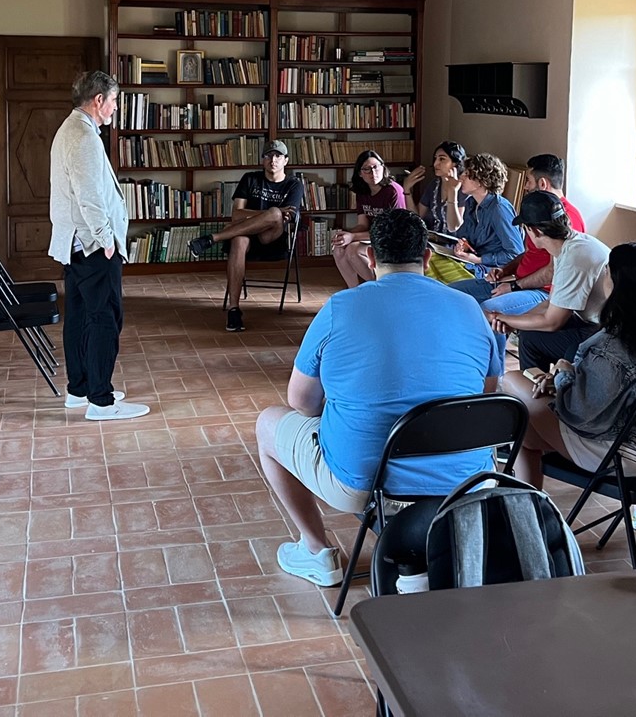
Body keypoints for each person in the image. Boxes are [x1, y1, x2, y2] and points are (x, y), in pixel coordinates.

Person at [253, 209, 503, 587]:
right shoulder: (469, 307)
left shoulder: (341, 307)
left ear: (370, 257)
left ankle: (316, 550)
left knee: (268, 424)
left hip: (370, 483)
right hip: (470, 482)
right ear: (427, 257)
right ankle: (420, 555)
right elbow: (486, 392)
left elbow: (300, 401)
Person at [500, 242, 636, 488]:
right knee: (523, 431)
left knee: (511, 383)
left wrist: (563, 375)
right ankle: (527, 501)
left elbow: (578, 414)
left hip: (620, 454)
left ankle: (526, 508)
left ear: (619, 284)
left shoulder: (616, 346)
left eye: (607, 272)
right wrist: (565, 378)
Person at [47, 70, 149, 421]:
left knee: (79, 316)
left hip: (74, 243)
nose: (116, 108)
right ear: (99, 101)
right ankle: (101, 401)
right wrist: (107, 240)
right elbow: (89, 197)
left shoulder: (70, 129)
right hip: (91, 245)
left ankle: (80, 389)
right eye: (115, 101)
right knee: (105, 318)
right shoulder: (85, 138)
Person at [486, 191, 611, 372]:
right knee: (529, 335)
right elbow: (551, 302)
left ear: (534, 231)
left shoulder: (573, 258)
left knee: (533, 338)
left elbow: (552, 321)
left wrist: (502, 319)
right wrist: (515, 321)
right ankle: (535, 386)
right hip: (595, 323)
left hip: (605, 334)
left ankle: (536, 391)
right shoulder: (569, 244)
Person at [189, 140, 303, 332]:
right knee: (240, 239)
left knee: (275, 214)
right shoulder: (250, 179)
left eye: (278, 156)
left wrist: (271, 214)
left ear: (286, 161)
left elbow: (287, 217)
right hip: (246, 235)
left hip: (273, 239)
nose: (272, 160)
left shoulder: (294, 185)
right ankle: (234, 309)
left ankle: (213, 238)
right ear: (262, 160)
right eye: (268, 156)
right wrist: (270, 214)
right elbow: (236, 214)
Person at [451, 152, 585, 313]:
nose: (525, 186)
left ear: (542, 184)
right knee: (451, 293)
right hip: (519, 282)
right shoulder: (539, 209)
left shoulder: (566, 216)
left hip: (542, 291)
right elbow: (528, 253)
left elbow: (553, 271)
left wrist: (513, 286)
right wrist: (506, 270)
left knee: (489, 310)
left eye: (528, 181)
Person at [331, 149, 409, 288]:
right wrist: (344, 236)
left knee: (352, 250)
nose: (373, 173)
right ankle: (354, 291)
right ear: (360, 173)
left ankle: (377, 288)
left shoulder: (392, 191)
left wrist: (353, 237)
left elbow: (390, 232)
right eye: (367, 169)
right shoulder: (362, 192)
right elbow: (363, 224)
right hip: (373, 237)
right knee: (339, 249)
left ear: (383, 167)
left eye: (376, 167)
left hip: (393, 239)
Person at [445, 153, 523, 282]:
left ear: (481, 181)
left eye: (467, 174)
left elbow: (516, 253)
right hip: (471, 263)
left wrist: (478, 259)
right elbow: (464, 237)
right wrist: (463, 245)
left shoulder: (499, 208)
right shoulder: (471, 203)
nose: (461, 177)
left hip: (492, 272)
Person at [402, 141, 466, 233]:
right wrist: (407, 190)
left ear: (455, 163)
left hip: (457, 244)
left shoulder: (464, 188)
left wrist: (453, 191)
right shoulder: (434, 185)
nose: (436, 163)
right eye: (435, 159)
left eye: (442, 159)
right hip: (435, 242)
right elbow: (416, 218)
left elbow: (453, 227)